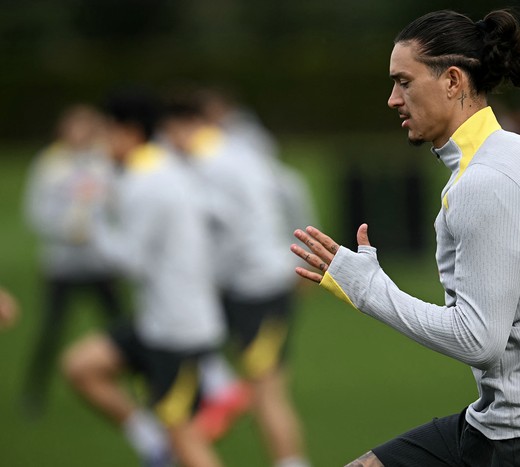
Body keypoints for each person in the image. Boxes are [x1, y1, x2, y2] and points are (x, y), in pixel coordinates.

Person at [290, 9, 520, 467]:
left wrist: (368, 288)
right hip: (505, 423)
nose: (392, 100)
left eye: (404, 81)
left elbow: (478, 341)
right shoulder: (518, 152)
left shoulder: (487, 183)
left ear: (453, 81)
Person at [61, 88, 226, 467]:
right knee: (82, 366)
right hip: (158, 321)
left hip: (178, 330)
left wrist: (93, 219)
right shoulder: (155, 169)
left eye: (106, 132)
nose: (101, 142)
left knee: (184, 440)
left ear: (129, 133)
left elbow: (131, 260)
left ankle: (161, 440)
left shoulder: (149, 181)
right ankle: (149, 438)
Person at [161, 91, 312, 467]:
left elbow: (228, 232)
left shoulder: (208, 164)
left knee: (266, 392)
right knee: (229, 383)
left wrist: (203, 278)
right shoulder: (238, 152)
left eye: (167, 134)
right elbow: (290, 188)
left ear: (185, 125)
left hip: (257, 287)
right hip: (253, 282)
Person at [22, 104, 124, 415]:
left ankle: (146, 386)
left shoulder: (104, 161)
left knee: (122, 328)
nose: (78, 133)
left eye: (85, 127)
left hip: (99, 263)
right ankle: (33, 394)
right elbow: (34, 211)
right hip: (62, 264)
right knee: (51, 329)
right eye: (73, 127)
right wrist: (66, 227)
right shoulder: (49, 164)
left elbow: (120, 203)